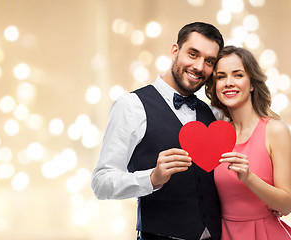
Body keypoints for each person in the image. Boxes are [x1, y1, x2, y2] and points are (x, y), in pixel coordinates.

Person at [91, 22, 224, 240]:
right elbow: (101, 182)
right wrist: (152, 178)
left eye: (209, 61)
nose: (199, 67)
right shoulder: (131, 106)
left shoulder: (214, 115)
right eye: (193, 54)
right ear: (175, 51)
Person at [205, 46, 291, 240]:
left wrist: (249, 177)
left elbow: (286, 205)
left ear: (252, 84)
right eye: (221, 77)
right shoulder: (215, 134)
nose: (228, 83)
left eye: (238, 75)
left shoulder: (275, 131)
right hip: (223, 234)